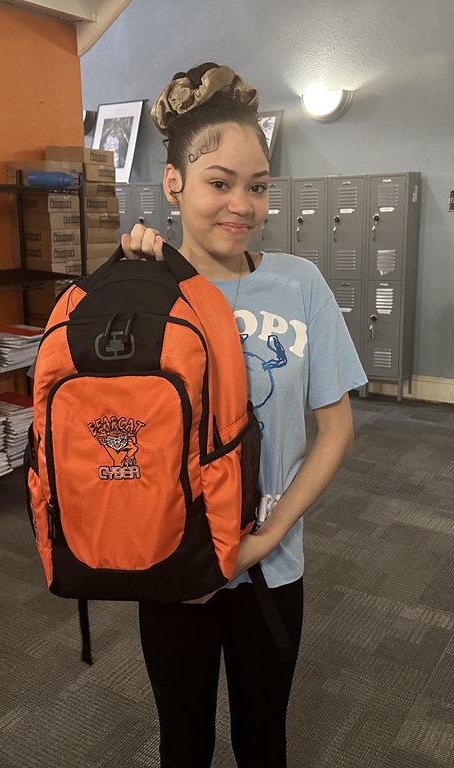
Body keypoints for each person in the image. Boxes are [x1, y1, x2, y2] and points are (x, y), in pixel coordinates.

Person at [122, 62, 368, 768]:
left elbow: (337, 428)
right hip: (174, 570)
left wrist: (269, 537)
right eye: (219, 183)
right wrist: (129, 285)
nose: (242, 204)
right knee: (184, 742)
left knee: (264, 740)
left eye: (256, 186)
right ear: (175, 184)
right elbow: (119, 435)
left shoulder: (301, 284)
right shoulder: (148, 286)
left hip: (271, 566)